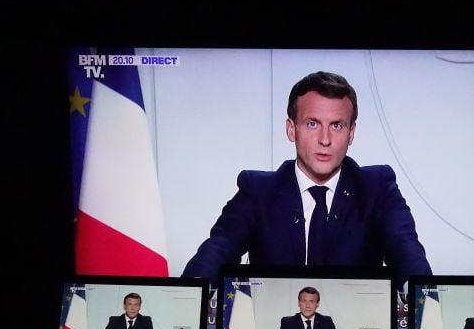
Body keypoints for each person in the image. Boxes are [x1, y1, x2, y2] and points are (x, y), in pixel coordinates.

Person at [181, 71, 432, 289]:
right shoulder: (257, 191)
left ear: (351, 133)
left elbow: (408, 256)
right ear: (292, 129)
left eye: (337, 125)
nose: (325, 139)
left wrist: (423, 308)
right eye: (313, 124)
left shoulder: (377, 188)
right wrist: (190, 301)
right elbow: (215, 254)